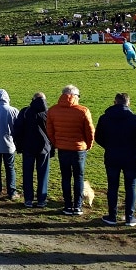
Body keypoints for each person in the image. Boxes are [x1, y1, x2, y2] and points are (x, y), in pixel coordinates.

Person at [95, 93, 136, 226]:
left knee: (112, 186)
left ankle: (112, 216)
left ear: (114, 102)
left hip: (112, 156)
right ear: (128, 103)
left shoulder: (104, 118)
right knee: (131, 186)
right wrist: (135, 148)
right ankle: (130, 217)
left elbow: (98, 137)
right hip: (131, 157)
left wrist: (109, 147)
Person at [46, 84, 94, 216]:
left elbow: (50, 131)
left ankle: (67, 205)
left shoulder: (53, 110)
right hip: (79, 149)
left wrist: (56, 143)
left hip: (62, 148)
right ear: (75, 96)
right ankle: (77, 206)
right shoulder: (83, 111)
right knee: (78, 177)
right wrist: (89, 145)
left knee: (65, 177)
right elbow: (90, 131)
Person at [14, 92, 51, 208]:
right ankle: (41, 200)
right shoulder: (49, 112)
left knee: (27, 174)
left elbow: (17, 130)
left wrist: (19, 146)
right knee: (43, 174)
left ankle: (28, 199)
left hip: (28, 147)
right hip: (44, 148)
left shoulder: (25, 111)